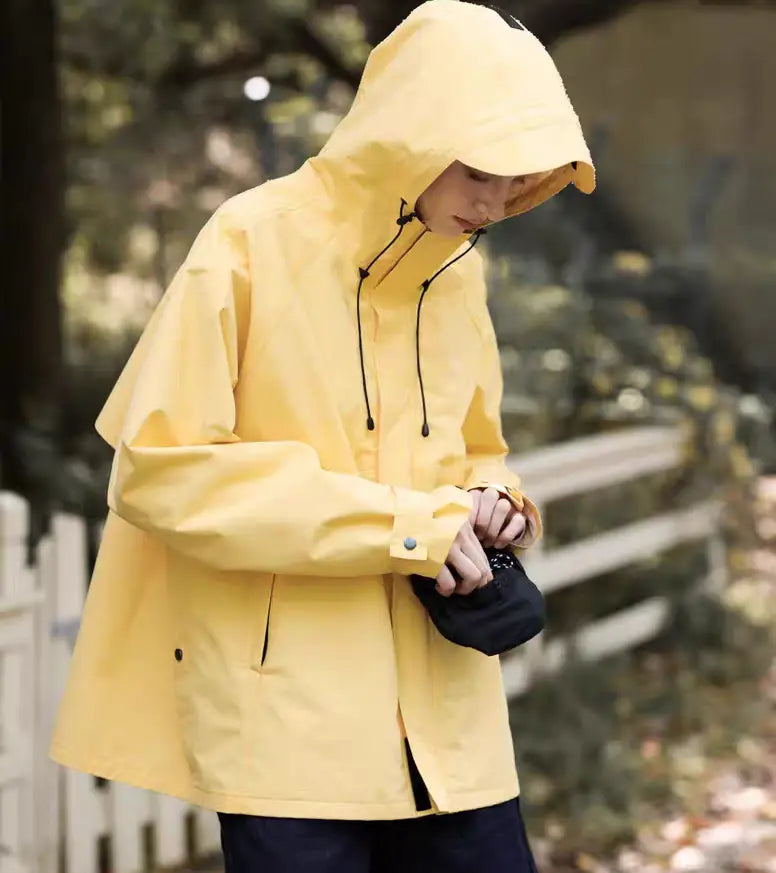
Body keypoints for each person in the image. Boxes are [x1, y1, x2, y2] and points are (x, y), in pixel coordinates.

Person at [49, 1, 594, 870]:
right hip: (289, 737)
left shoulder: (456, 273)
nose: (496, 202)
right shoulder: (249, 240)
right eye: (482, 171)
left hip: (452, 729)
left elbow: (478, 449)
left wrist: (497, 502)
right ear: (414, 130)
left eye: (519, 179)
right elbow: (159, 470)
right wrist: (405, 527)